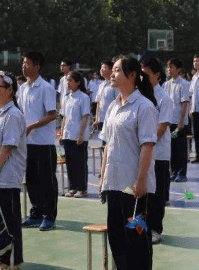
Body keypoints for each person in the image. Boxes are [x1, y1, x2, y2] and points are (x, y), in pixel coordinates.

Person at [99, 57, 157, 270]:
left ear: (132, 75)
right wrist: (102, 177)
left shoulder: (144, 107)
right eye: (112, 70)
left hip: (133, 187)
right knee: (117, 237)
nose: (112, 74)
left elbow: (147, 146)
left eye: (117, 70)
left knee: (137, 239)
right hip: (114, 183)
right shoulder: (113, 106)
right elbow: (107, 145)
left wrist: (141, 181)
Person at [0, 70, 27, 270]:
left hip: (7, 176)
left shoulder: (14, 115)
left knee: (10, 220)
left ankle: (14, 261)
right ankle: (2, 259)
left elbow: (7, 148)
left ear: (9, 90)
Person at [18, 51, 59, 231]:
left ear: (37, 66)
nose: (24, 66)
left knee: (47, 181)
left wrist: (31, 126)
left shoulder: (46, 88)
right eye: (23, 63)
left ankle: (49, 216)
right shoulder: (23, 88)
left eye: (27, 63)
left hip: (44, 143)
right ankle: (36, 213)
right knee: (32, 179)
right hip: (27, 143)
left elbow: (52, 115)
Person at [141, 57, 172, 244]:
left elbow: (161, 128)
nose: (142, 79)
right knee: (142, 194)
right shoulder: (139, 96)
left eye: (146, 75)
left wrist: (146, 145)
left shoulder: (164, 98)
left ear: (157, 76)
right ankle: (141, 227)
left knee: (156, 194)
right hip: (141, 154)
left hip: (158, 154)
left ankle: (155, 229)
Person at [58, 70, 91, 198]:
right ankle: (72, 187)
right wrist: (62, 131)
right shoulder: (66, 98)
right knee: (70, 162)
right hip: (68, 134)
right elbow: (64, 117)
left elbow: (85, 117)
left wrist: (81, 134)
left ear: (78, 82)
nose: (68, 83)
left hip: (78, 135)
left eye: (71, 80)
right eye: (67, 80)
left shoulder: (84, 97)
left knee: (80, 163)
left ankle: (82, 189)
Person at [164, 58, 190, 182]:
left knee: (181, 149)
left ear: (179, 69)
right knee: (172, 149)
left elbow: (184, 103)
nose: (169, 70)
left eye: (172, 67)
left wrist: (181, 121)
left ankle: (182, 173)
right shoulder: (167, 84)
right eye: (168, 67)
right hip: (169, 120)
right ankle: (173, 171)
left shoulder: (184, 84)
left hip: (179, 122)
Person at [93, 61, 118, 139]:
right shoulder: (101, 85)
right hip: (102, 120)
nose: (101, 70)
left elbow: (118, 102)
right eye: (101, 68)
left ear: (111, 70)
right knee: (103, 143)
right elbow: (98, 103)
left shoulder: (115, 84)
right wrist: (97, 119)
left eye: (104, 68)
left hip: (111, 119)